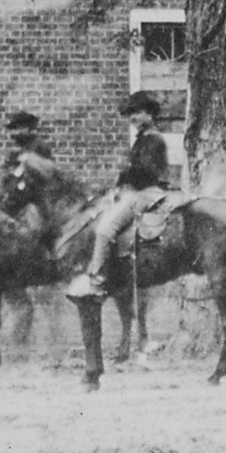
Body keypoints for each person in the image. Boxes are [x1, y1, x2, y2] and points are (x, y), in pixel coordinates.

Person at [69, 90, 175, 299]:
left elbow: (146, 172)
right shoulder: (142, 138)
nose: (133, 118)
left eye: (137, 112)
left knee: (105, 229)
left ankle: (96, 282)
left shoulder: (153, 140)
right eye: (130, 114)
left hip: (147, 193)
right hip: (137, 191)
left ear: (150, 114)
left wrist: (124, 177)